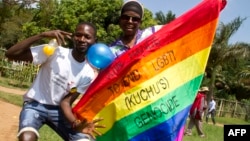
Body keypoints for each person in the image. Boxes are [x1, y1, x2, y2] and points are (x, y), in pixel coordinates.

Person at [5, 22, 103, 141]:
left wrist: (76, 124)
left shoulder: (87, 74)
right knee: (27, 137)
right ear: (73, 37)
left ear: (94, 40)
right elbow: (10, 54)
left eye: (87, 37)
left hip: (59, 112)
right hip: (35, 105)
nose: (82, 39)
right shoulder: (55, 51)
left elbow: (65, 103)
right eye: (78, 35)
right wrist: (41, 35)